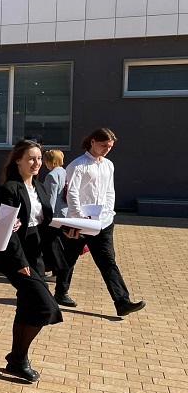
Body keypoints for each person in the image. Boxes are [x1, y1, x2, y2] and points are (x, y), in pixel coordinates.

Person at [0, 140, 63, 384]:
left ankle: (17, 360)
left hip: (37, 254)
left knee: (27, 306)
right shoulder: (9, 189)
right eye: (31, 159)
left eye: (39, 158)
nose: (36, 163)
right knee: (46, 308)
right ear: (18, 161)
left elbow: (46, 223)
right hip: (18, 255)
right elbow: (7, 230)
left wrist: (68, 231)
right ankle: (18, 356)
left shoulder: (39, 187)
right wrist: (20, 261)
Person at [62, 128, 145, 317]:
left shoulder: (108, 165)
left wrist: (108, 213)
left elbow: (109, 191)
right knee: (69, 257)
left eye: (110, 146)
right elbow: (72, 192)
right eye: (104, 145)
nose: (107, 149)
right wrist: (79, 217)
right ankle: (61, 291)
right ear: (92, 142)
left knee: (108, 261)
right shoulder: (78, 165)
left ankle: (122, 301)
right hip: (81, 221)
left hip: (103, 222)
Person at [42, 149, 75, 307]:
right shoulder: (65, 172)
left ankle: (51, 268)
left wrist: (46, 218)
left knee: (52, 246)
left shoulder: (52, 175)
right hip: (66, 213)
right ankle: (56, 271)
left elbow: (50, 199)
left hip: (55, 216)